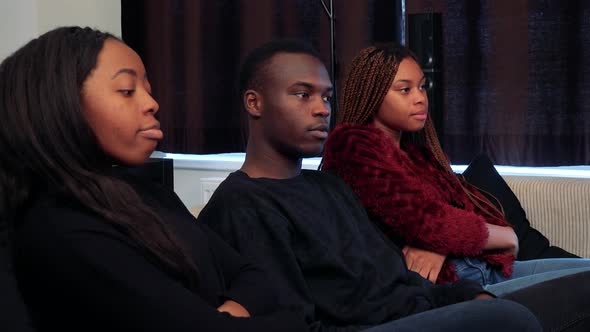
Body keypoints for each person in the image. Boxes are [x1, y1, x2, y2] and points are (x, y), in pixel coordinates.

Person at [198, 39, 590, 331]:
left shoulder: (328, 187)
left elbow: (395, 275)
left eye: (326, 97)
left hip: (420, 303)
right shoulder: (243, 204)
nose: (321, 108)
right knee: (506, 318)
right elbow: (291, 319)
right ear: (254, 103)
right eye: (302, 94)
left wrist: (460, 296)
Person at [0, 26, 311, 332]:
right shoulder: (64, 227)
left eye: (147, 89)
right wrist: (290, 322)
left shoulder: (150, 195)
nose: (152, 103)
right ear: (60, 102)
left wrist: (224, 317)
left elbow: (254, 277)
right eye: (126, 90)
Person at [320, 44, 590, 291]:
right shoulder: (353, 145)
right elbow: (428, 222)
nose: (420, 98)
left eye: (422, 87)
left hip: (488, 268)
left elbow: (459, 215)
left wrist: (442, 245)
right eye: (405, 89)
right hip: (461, 285)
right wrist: (501, 237)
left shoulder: (417, 156)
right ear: (373, 94)